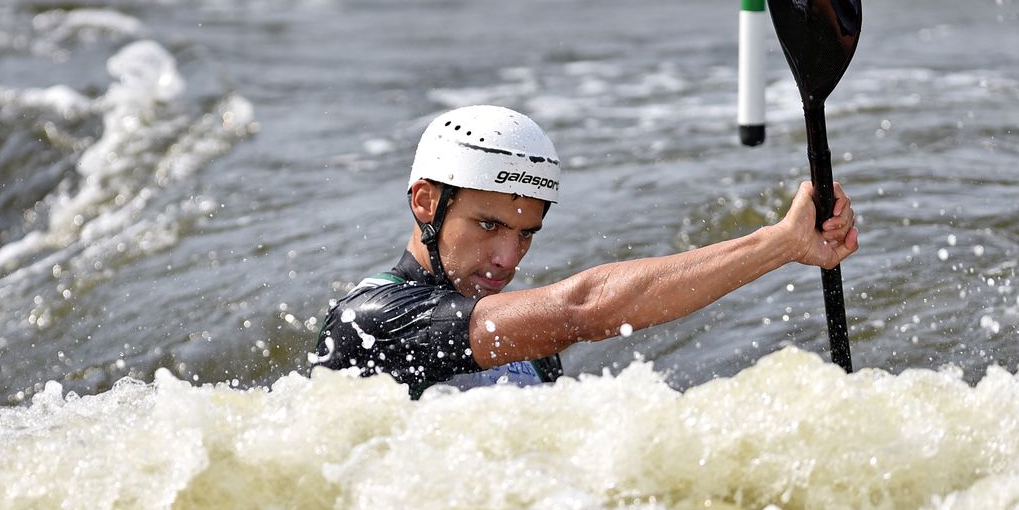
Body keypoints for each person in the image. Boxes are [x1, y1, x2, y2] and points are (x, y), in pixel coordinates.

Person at [313, 105, 858, 399]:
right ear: (426, 203)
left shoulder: (527, 350)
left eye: (526, 234)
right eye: (488, 225)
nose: (508, 258)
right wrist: (780, 244)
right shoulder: (371, 322)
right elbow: (584, 310)